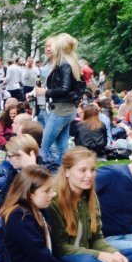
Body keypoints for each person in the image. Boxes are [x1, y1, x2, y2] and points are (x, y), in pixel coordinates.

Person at [0, 167, 106, 262]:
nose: (52, 194)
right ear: (29, 192)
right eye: (47, 191)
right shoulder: (18, 216)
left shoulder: (36, 210)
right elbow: (39, 253)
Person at [45, 147, 132, 262]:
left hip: (91, 253)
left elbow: (97, 238)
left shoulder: (90, 196)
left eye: (92, 169)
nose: (89, 175)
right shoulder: (54, 200)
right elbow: (60, 247)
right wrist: (99, 256)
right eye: (83, 170)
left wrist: (113, 253)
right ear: (67, 171)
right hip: (69, 258)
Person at [40, 34, 85, 166]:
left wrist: (45, 92)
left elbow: (64, 89)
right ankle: (64, 172)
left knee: (45, 146)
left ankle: (46, 172)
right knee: (61, 147)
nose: (50, 48)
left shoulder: (64, 64)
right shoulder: (70, 63)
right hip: (66, 109)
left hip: (61, 110)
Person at [0, 134, 39, 207]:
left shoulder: (40, 176)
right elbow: (4, 192)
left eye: (9, 156)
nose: (7, 159)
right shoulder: (15, 170)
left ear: (20, 156)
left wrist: (31, 168)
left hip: (17, 211)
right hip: (12, 207)